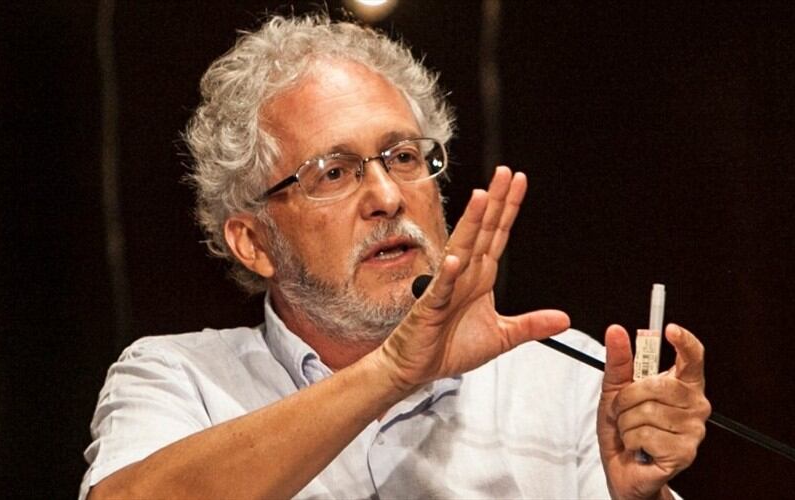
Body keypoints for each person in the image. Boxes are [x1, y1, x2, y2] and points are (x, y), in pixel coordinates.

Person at [81, 14, 710, 500]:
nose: (386, 196)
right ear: (254, 242)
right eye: (332, 172)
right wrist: (390, 374)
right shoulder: (179, 377)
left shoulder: (571, 380)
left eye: (404, 157)